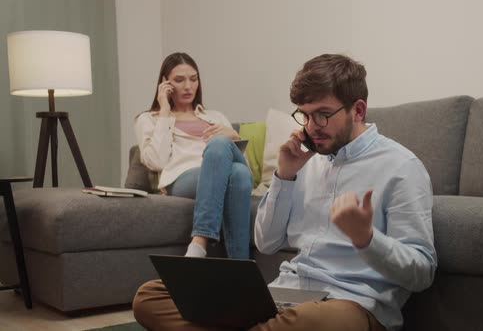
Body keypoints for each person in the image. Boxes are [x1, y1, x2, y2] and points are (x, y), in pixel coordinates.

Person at [133, 54, 436, 331]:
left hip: (348, 304)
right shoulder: (306, 160)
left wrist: (367, 239)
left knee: (312, 321)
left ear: (358, 110)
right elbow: (266, 243)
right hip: (284, 297)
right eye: (305, 114)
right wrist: (284, 176)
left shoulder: (402, 167)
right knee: (150, 296)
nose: (312, 126)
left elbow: (421, 274)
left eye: (323, 114)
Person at [135, 52, 252, 259]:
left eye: (193, 79)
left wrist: (233, 135)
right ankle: (231, 258)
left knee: (239, 172)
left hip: (225, 170)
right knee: (232, 165)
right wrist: (164, 110)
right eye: (179, 80)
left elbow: (246, 167)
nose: (188, 86)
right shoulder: (149, 119)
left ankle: (200, 244)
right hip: (183, 178)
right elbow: (156, 161)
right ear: (165, 84)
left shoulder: (215, 116)